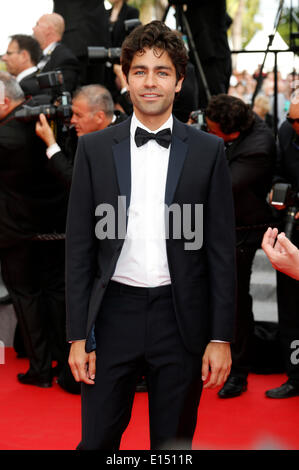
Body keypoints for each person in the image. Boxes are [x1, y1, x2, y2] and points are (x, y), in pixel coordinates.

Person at [66, 20, 236, 450]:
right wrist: (76, 334)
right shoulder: (94, 150)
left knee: (173, 446)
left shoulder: (208, 151)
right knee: (96, 442)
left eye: (162, 72)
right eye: (139, 70)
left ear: (179, 81)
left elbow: (219, 251)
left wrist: (220, 337)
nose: (150, 82)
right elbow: (80, 250)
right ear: (125, 78)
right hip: (111, 316)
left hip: (181, 320)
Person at [0, 71, 70, 389]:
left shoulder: (6, 137)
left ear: (4, 101)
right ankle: (62, 359)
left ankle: (40, 369)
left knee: (25, 296)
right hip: (54, 225)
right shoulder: (45, 121)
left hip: (17, 231)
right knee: (55, 292)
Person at [205, 94, 276, 398]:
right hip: (217, 226)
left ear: (230, 132)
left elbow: (223, 185)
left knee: (234, 299)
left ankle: (239, 370)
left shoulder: (258, 148)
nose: (206, 132)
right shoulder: (239, 130)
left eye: (211, 129)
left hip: (245, 230)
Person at [264, 99, 299, 398]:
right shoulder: (286, 132)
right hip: (291, 234)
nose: (294, 126)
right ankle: (295, 376)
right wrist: (280, 192)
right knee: (289, 310)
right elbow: (277, 171)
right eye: (291, 119)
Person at [35, 84, 127, 189]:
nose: (72, 120)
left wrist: (51, 143)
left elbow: (78, 183)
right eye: (72, 113)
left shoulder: (121, 144)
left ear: (99, 117)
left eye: (78, 115)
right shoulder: (83, 132)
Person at [33, 13, 80, 94]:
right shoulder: (40, 55)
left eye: (37, 24)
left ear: (48, 30)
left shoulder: (65, 58)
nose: (33, 28)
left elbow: (63, 92)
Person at [1, 34, 42, 99]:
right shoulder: (40, 80)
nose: (3, 58)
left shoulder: (24, 88)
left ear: (24, 56)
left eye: (9, 53)